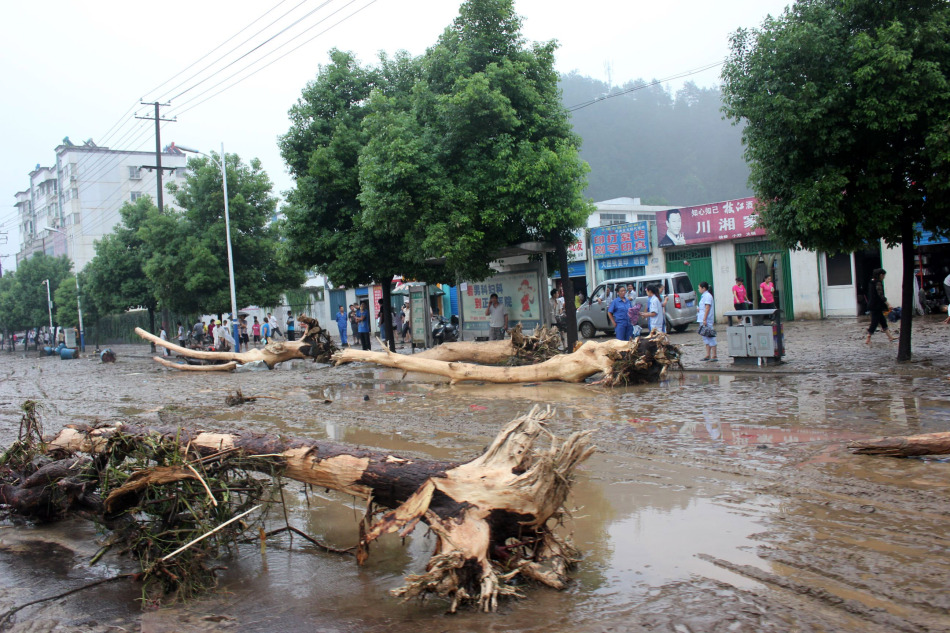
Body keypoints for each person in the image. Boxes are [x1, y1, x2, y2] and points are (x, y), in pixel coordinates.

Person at [865, 268, 896, 345]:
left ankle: (890, 337)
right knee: (875, 322)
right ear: (881, 275)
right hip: (876, 306)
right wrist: (888, 304)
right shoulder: (878, 283)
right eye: (884, 275)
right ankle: (868, 336)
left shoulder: (871, 282)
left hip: (873, 304)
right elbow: (881, 295)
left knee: (882, 321)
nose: (884, 277)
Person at [697, 281, 718, 361]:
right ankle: (708, 355)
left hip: (706, 320)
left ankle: (714, 355)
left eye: (699, 288)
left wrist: (705, 319)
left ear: (703, 288)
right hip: (702, 319)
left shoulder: (707, 296)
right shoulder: (703, 296)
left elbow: (707, 307)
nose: (698, 289)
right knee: (705, 337)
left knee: (710, 336)